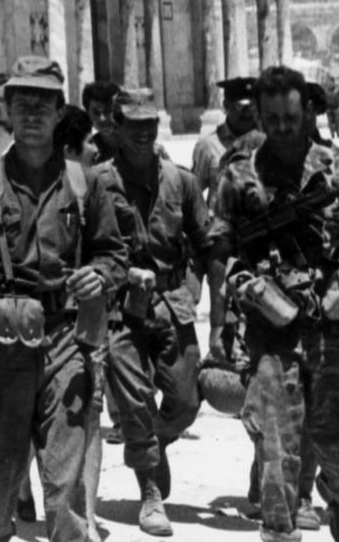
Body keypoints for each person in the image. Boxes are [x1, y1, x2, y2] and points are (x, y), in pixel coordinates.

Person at [0, 56, 126, 542]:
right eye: (22, 104)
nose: (32, 113)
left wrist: (100, 276)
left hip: (63, 341)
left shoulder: (85, 183)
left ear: (60, 113)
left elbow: (113, 254)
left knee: (68, 489)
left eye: (43, 104)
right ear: (7, 113)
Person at [208, 65, 339, 542]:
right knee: (277, 456)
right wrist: (227, 311)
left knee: (335, 447)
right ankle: (280, 533)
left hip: (330, 334)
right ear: (260, 116)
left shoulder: (333, 167)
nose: (282, 127)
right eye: (272, 118)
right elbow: (220, 251)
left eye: (290, 116)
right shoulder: (239, 175)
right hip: (270, 332)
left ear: (306, 111)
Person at [94, 96, 214, 537]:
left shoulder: (181, 182)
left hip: (171, 305)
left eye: (150, 125)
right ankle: (150, 492)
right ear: (117, 127)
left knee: (185, 400)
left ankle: (157, 442)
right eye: (134, 125)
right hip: (120, 310)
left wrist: (195, 287)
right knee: (134, 401)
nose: (143, 134)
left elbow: (207, 241)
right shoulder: (97, 183)